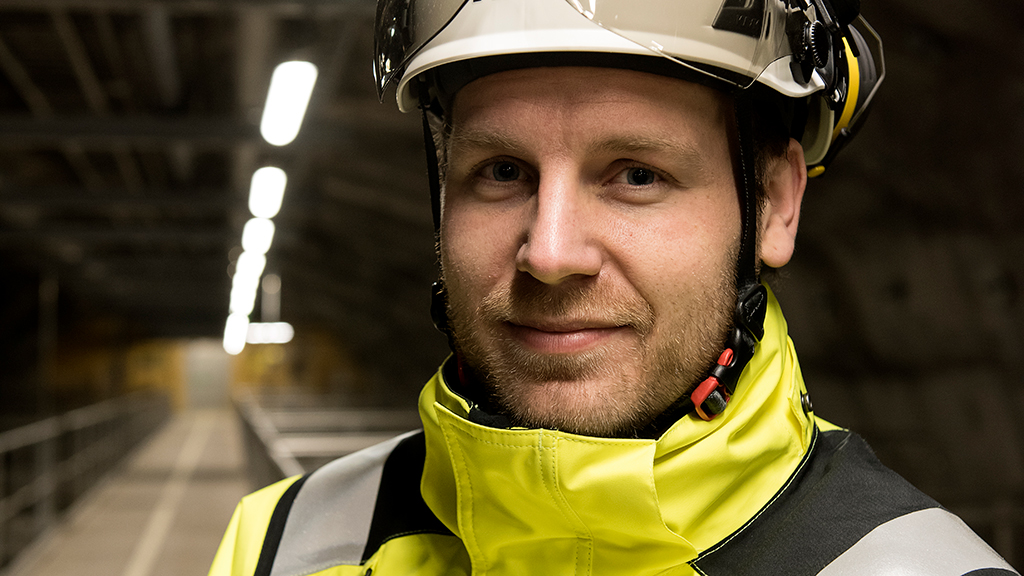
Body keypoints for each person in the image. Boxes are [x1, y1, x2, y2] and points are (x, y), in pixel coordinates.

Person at [209, 0, 1019, 574]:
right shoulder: (284, 542)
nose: (551, 252)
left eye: (637, 173)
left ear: (774, 204)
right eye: (500, 172)